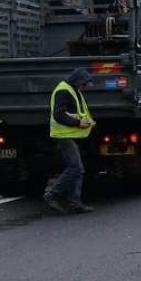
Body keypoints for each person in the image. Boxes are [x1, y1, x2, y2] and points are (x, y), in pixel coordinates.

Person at [42, 67, 96, 214]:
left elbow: (78, 112)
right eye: (84, 85)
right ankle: (53, 193)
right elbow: (59, 114)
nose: (84, 88)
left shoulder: (72, 89)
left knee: (78, 169)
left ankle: (74, 202)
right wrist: (79, 123)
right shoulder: (63, 91)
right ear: (78, 81)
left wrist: (88, 122)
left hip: (69, 135)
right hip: (63, 136)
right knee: (76, 167)